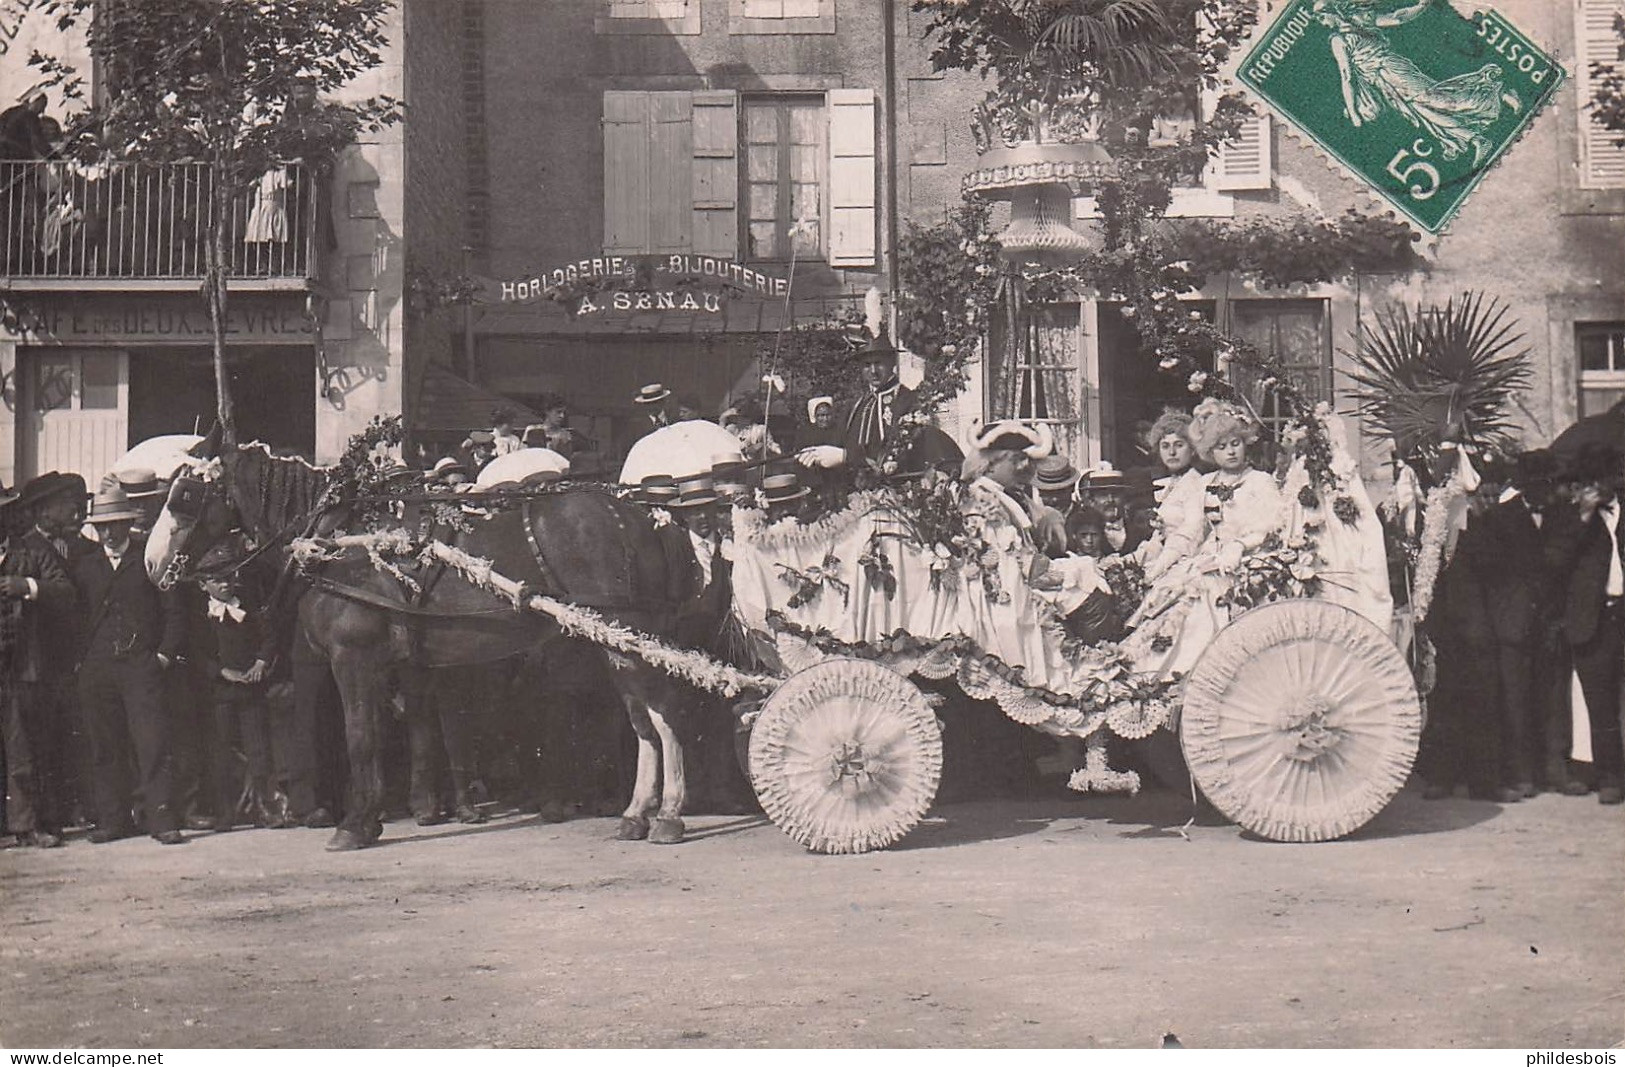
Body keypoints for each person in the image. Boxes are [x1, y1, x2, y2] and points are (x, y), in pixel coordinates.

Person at [1125, 398, 1283, 677]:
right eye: (1221, 447)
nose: (1230, 452)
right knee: (1172, 586)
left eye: (1235, 443)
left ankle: (1197, 669)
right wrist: (1162, 565)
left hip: (1251, 557)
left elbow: (1270, 526)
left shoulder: (1261, 481)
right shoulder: (1205, 483)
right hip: (1211, 556)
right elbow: (1192, 529)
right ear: (1210, 451)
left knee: (1207, 591)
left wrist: (1240, 545)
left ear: (1246, 443)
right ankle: (1152, 667)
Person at [71, 486, 188, 844]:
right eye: (101, 526)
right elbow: (74, 617)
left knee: (152, 742)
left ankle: (162, 820)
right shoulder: (84, 566)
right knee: (104, 744)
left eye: (115, 524)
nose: (108, 533)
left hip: (141, 665)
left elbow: (174, 612)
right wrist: (81, 663)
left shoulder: (148, 558)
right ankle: (113, 820)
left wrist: (163, 655)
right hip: (98, 667)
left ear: (127, 523)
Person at [1313, 0, 1520, 167]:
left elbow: (1347, 77)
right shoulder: (1355, 24)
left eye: (1321, 16)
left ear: (1333, 12)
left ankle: (1499, 92)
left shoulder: (1342, 37)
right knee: (1425, 112)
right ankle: (1477, 140)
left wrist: (1353, 113)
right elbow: (1397, 18)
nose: (1321, 22)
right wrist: (1421, 6)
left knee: (1436, 99)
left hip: (1391, 70)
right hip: (1385, 83)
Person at [1542, 442, 1625, 805]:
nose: (1593, 488)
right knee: (1600, 701)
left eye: (1599, 481)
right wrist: (1583, 518)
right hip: (1594, 618)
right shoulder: (1568, 517)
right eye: (1588, 482)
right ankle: (1610, 777)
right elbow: (1554, 564)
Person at [0, 479, 73, 848]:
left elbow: (65, 591)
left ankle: (28, 824)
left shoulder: (31, 552)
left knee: (24, 747)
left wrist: (27, 586)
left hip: (22, 668)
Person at [192, 541, 276, 831]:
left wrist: (261, 663)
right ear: (203, 585)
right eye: (216, 580)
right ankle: (225, 811)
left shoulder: (248, 606)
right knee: (220, 751)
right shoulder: (200, 615)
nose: (225, 584)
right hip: (219, 693)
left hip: (251, 689)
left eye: (229, 577)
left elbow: (269, 636)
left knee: (259, 749)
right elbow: (195, 652)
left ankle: (264, 808)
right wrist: (220, 671)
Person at [1137, 410, 1206, 582]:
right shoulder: (1170, 484)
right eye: (1165, 446)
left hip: (1186, 563)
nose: (1172, 452)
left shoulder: (1195, 484)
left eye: (1179, 445)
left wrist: (1154, 572)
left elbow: (1191, 532)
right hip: (1164, 559)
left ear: (1193, 449)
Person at [841, 332, 916, 467]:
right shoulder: (856, 406)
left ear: (892, 362)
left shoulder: (907, 399)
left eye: (878, 363)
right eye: (867, 365)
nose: (873, 371)